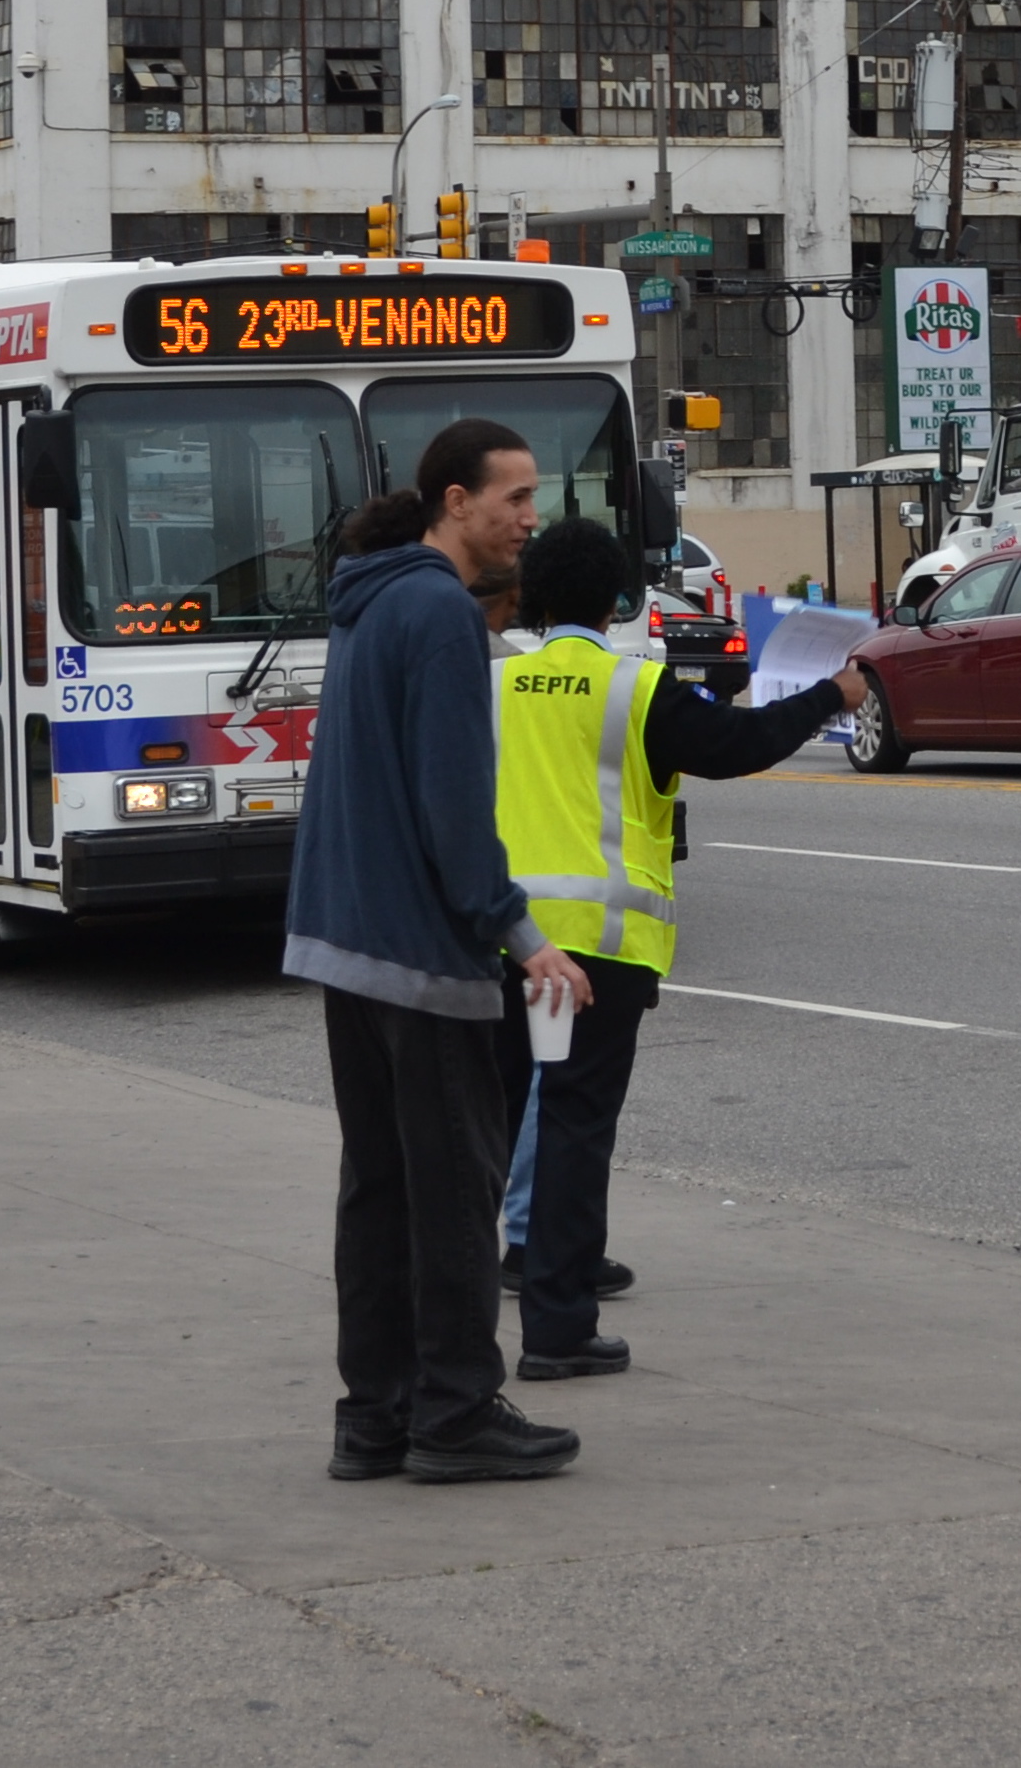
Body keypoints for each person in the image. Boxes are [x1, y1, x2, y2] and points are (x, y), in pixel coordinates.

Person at [284, 419, 593, 1487]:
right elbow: (454, 809)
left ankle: (372, 1414)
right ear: (452, 500)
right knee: (456, 1191)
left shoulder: (368, 603)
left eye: (531, 496)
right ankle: (455, 1409)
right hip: (419, 953)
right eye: (511, 496)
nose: (528, 517)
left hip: (341, 940)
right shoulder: (437, 613)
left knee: (376, 1191)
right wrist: (524, 935)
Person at [491, 516, 866, 1382]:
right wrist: (830, 697)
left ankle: (454, 1331)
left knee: (488, 1127)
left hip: (502, 943)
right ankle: (556, 1331)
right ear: (620, 597)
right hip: (599, 955)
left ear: (534, 597)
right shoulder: (636, 687)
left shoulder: (491, 684)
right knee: (575, 1133)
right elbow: (736, 746)